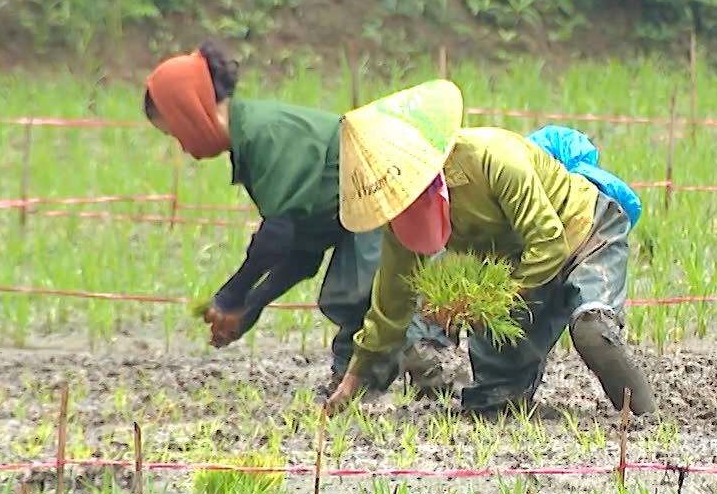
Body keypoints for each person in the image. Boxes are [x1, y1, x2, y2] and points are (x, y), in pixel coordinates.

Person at [320, 80, 657, 418]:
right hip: (520, 264)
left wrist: (487, 303)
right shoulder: (402, 221)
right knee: (493, 404)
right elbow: (390, 307)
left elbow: (549, 242)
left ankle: (648, 421)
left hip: (586, 230)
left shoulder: (494, 159)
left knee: (592, 330)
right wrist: (352, 381)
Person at [142, 44, 462, 397]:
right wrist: (251, 305)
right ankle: (353, 387)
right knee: (347, 296)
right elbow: (301, 252)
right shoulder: (250, 142)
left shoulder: (266, 134)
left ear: (190, 111)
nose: (183, 147)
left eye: (175, 132)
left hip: (386, 188)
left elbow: (276, 237)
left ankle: (436, 366)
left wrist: (231, 296)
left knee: (360, 292)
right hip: (360, 208)